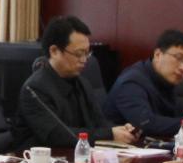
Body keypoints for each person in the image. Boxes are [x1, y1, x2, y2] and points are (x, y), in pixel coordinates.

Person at [13, 15, 137, 150]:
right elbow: (58, 135)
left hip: (78, 155)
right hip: (42, 158)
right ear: (54, 51)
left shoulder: (82, 83)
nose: (84, 60)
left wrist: (120, 130)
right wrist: (110, 134)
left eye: (87, 53)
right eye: (78, 54)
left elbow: (99, 122)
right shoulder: (34, 89)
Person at [106, 29, 183, 140]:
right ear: (158, 54)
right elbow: (146, 123)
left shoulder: (165, 81)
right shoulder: (131, 82)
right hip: (118, 146)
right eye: (178, 58)